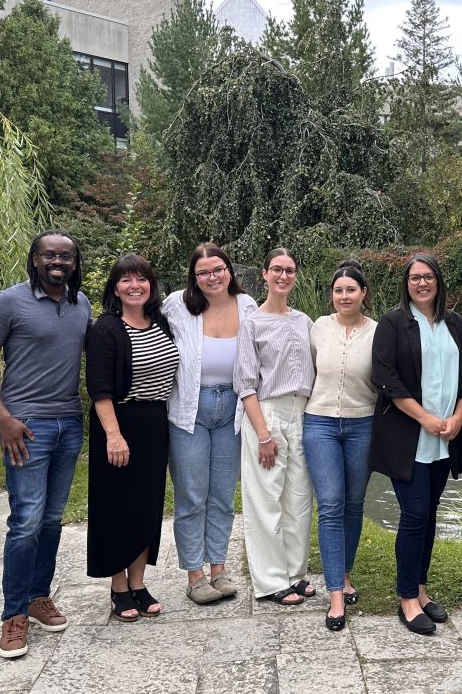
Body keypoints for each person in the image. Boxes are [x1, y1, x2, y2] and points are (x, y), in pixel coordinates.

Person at [0, 229, 90, 659]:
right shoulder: (8, 302)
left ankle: (39, 597)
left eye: (66, 257)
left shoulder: (80, 304)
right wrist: (4, 418)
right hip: (26, 426)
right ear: (34, 259)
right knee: (25, 520)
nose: (57, 262)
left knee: (53, 519)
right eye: (49, 255)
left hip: (69, 424)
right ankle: (14, 616)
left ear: (75, 263)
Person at [370, 252, 462, 636]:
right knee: (414, 515)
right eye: (415, 278)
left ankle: (422, 588)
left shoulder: (456, 324)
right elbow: (386, 377)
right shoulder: (394, 323)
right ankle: (407, 598)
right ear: (406, 283)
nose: (422, 283)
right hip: (409, 436)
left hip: (446, 439)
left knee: (428, 513)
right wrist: (425, 417)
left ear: (438, 281)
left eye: (428, 276)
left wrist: (458, 416)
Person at [84, 254, 178, 621]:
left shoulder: (162, 322)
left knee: (147, 506)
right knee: (115, 508)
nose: (134, 285)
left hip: (154, 423)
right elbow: (99, 388)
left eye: (141, 278)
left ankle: (138, 584)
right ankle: (118, 587)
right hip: (118, 422)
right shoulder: (106, 329)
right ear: (115, 288)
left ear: (151, 285)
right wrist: (113, 435)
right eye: (126, 280)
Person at [163, 243, 257, 605]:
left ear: (229, 270)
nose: (212, 277)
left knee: (221, 494)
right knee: (191, 494)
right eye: (203, 272)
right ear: (194, 276)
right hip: (189, 408)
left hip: (232, 409)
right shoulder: (176, 305)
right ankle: (194, 574)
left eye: (218, 269)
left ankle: (218, 568)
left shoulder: (247, 307)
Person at [236, 248, 316, 606]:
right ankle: (270, 581)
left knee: (299, 498)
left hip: (304, 412)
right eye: (277, 270)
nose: (284, 276)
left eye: (290, 270)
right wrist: (263, 435)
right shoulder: (252, 322)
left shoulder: (305, 321)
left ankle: (295, 574)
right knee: (265, 498)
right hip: (266, 413)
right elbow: (245, 383)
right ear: (265, 274)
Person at [303, 260, 377, 631]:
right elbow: (309, 372)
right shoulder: (318, 328)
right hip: (319, 424)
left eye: (351, 289)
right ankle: (335, 593)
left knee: (354, 504)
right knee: (330, 504)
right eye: (338, 290)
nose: (344, 296)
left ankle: (345, 574)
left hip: (363, 423)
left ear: (363, 293)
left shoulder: (378, 332)